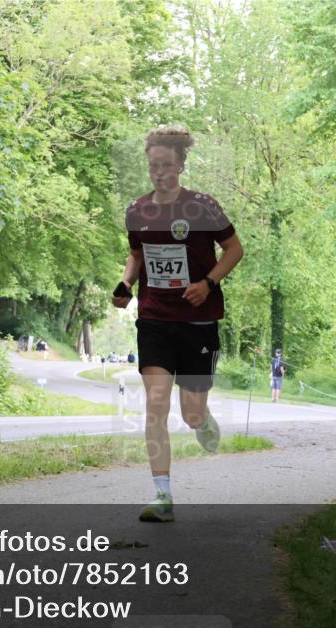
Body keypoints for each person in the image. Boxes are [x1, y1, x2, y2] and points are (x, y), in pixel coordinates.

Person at [112, 125, 244, 522]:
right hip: (154, 318)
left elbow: (235, 249)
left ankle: (202, 420)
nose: (159, 172)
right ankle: (162, 495)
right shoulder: (137, 210)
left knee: (190, 414)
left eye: (167, 165)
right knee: (154, 403)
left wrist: (208, 283)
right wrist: (125, 284)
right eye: (153, 165)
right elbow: (136, 255)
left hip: (198, 322)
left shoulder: (203, 207)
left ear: (181, 165)